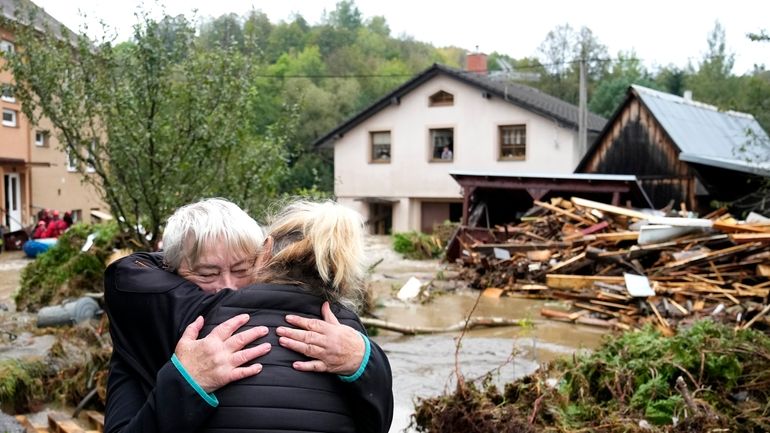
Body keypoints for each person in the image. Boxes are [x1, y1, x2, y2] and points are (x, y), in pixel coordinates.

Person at [104, 198, 392, 433]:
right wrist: (186, 382)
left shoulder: (336, 332)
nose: (227, 286)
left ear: (263, 259)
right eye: (207, 273)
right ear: (169, 272)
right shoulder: (143, 328)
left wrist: (364, 360)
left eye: (242, 270)